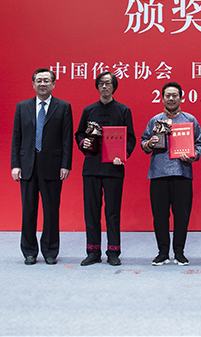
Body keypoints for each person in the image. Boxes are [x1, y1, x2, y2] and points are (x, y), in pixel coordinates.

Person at [10, 68, 73, 265]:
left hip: (53, 166)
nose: (42, 84)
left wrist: (65, 165)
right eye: (39, 80)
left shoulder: (63, 107)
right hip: (27, 166)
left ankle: (50, 251)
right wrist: (15, 165)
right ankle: (29, 251)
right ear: (33, 84)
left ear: (53, 84)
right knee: (28, 210)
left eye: (46, 80)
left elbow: (67, 139)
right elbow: (17, 137)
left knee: (51, 211)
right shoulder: (22, 107)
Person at [140, 82, 201, 266]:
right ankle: (162, 252)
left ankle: (179, 252)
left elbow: (199, 144)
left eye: (174, 95)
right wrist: (149, 143)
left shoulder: (190, 120)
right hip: (158, 174)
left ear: (181, 98)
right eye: (167, 95)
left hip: (182, 173)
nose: (171, 98)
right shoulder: (155, 120)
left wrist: (193, 155)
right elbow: (144, 143)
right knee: (159, 216)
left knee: (182, 216)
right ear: (162, 98)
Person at [75, 71, 136, 266]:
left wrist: (123, 155)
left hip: (113, 169)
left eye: (108, 83)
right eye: (101, 83)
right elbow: (79, 134)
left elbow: (131, 138)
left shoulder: (123, 110)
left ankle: (113, 251)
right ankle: (93, 251)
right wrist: (83, 143)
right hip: (91, 168)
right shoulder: (89, 110)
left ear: (114, 86)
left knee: (112, 212)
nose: (104, 86)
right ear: (97, 86)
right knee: (91, 211)